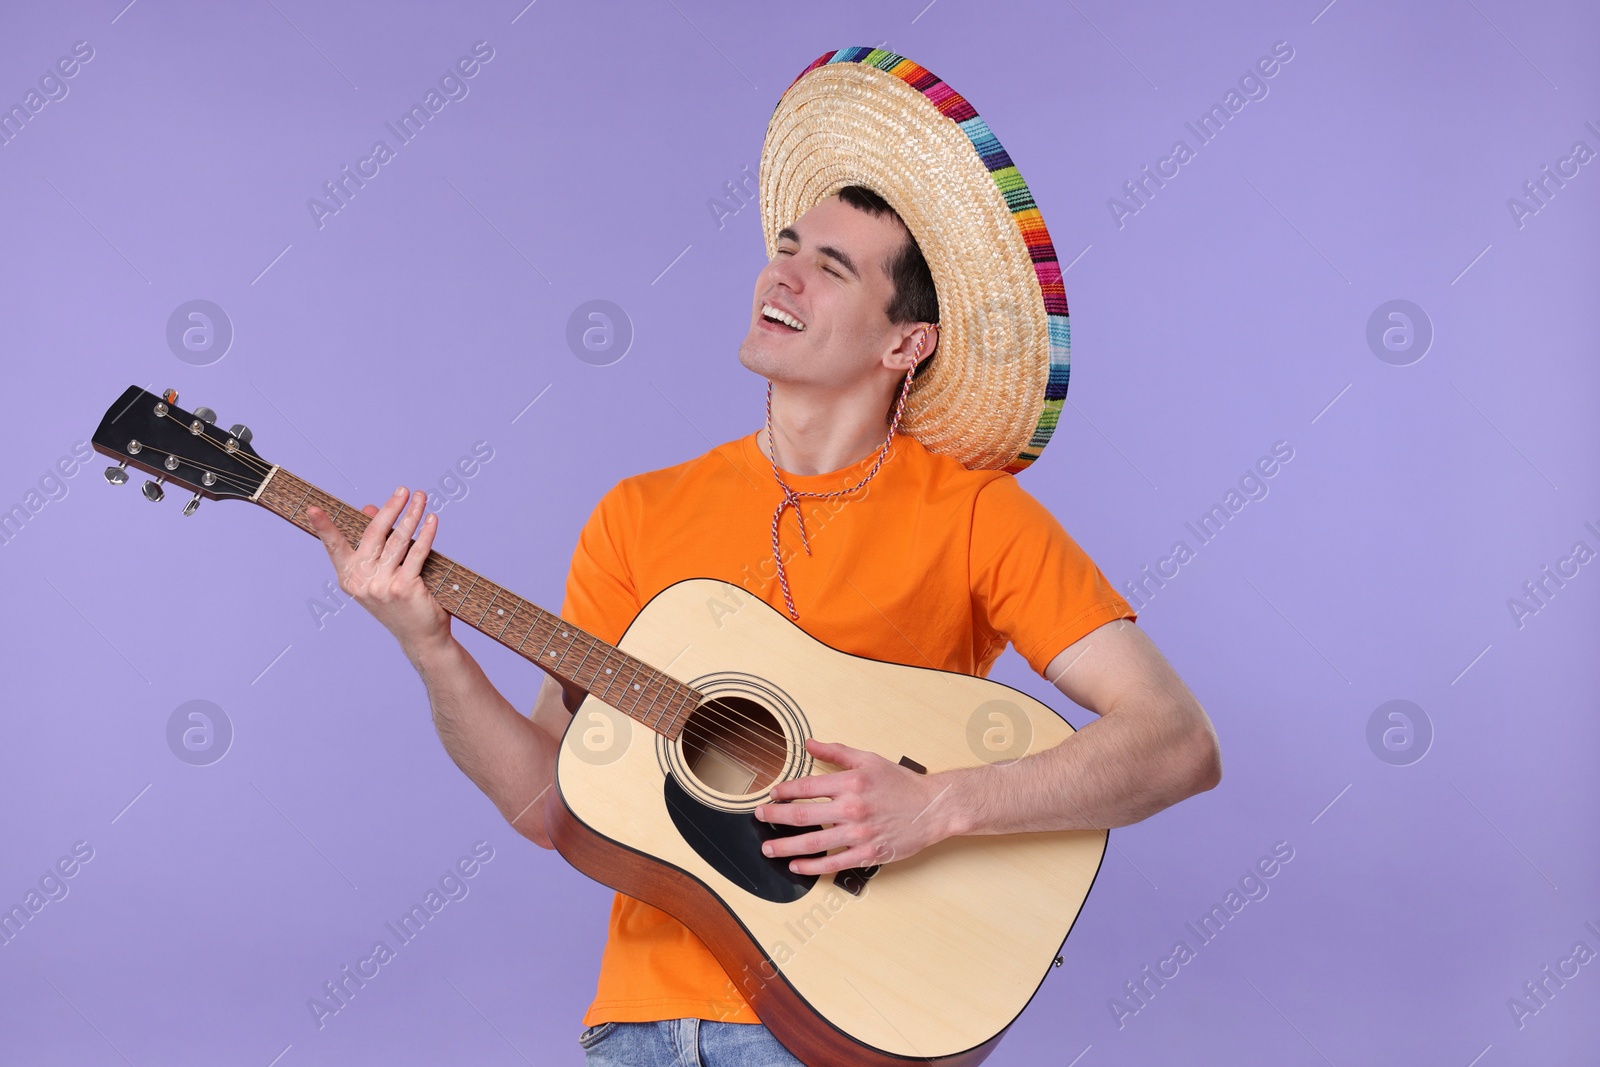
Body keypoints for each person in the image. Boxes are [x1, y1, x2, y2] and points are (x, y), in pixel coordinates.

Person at [306, 47, 1221, 1067]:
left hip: (856, 1023)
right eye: (785, 246)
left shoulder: (977, 516)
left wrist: (938, 803)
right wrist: (432, 647)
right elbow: (549, 807)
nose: (779, 271)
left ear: (904, 344)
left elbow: (1176, 741)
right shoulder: (638, 514)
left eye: (830, 267)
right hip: (639, 1029)